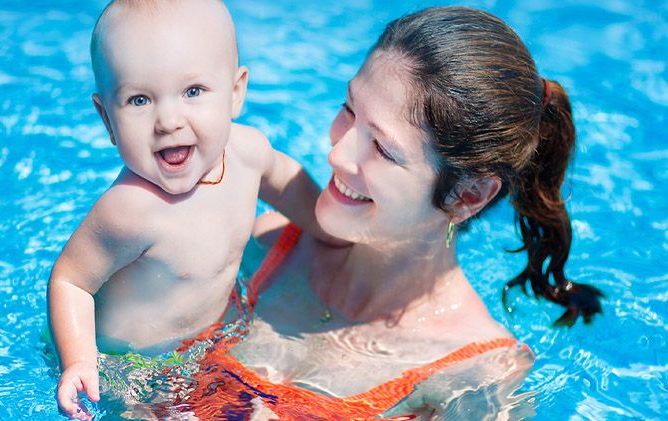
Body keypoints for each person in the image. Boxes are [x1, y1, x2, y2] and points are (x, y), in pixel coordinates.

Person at [163, 6, 604, 419]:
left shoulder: (477, 373)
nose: (336, 154)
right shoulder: (269, 244)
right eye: (348, 109)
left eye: (381, 148)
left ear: (468, 195)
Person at [46, 0, 331, 418]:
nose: (168, 121)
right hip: (129, 373)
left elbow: (285, 179)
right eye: (139, 100)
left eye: (192, 92)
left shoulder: (248, 153)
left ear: (235, 93)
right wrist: (79, 362)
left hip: (211, 345)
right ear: (107, 119)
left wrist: (331, 228)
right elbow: (70, 281)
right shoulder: (130, 210)